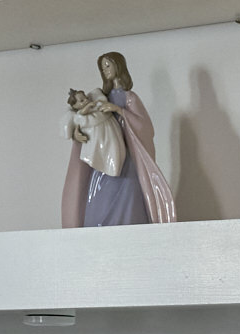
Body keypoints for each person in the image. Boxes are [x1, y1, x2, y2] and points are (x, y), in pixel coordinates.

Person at [61, 50, 179, 227]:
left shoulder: (129, 97)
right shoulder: (99, 97)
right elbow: (82, 119)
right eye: (103, 68)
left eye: (108, 66)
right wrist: (76, 133)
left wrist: (119, 110)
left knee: (128, 194)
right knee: (99, 198)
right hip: (102, 158)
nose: (106, 70)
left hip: (126, 159)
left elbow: (145, 127)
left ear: (118, 67)